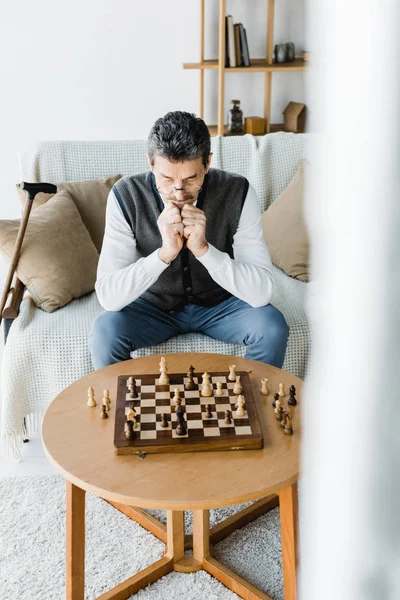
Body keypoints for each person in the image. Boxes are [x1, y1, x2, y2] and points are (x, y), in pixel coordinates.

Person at [89, 111, 289, 369]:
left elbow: (262, 291)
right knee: (106, 330)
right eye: (167, 178)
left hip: (223, 305)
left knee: (272, 327)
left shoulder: (237, 191)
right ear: (150, 164)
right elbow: (108, 297)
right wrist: (163, 254)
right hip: (152, 309)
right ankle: (124, 409)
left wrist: (204, 250)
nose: (179, 191)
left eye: (191, 178)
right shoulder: (125, 196)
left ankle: (249, 406)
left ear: (207, 163)